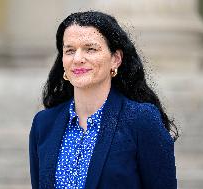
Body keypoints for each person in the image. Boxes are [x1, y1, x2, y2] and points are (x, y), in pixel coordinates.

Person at [29, 11, 179, 189]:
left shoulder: (142, 119)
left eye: (90, 49)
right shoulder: (44, 124)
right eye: (70, 50)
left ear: (115, 59)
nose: (77, 59)